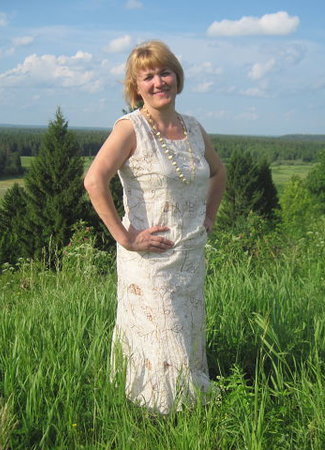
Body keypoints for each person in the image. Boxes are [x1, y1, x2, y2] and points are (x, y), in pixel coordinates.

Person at [84, 40, 226, 414]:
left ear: (177, 77)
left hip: (190, 255)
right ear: (136, 86)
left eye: (165, 73)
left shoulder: (193, 128)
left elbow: (218, 172)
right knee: (161, 335)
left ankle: (183, 406)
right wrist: (126, 237)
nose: (158, 82)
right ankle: (163, 412)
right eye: (148, 77)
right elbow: (94, 180)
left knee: (186, 332)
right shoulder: (130, 128)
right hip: (150, 259)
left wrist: (208, 217)